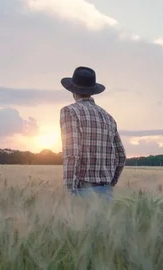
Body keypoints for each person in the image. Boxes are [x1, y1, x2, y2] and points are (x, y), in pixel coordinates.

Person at [59, 66, 126, 200]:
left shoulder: (70, 111)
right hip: (106, 192)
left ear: (72, 90)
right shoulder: (108, 117)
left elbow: (72, 153)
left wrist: (69, 191)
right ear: (92, 91)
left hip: (81, 191)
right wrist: (110, 184)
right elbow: (121, 156)